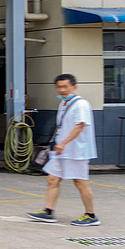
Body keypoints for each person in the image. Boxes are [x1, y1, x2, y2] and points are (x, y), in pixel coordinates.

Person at [28, 74, 99, 226]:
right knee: (52, 179)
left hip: (76, 151)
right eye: (59, 87)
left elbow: (80, 125)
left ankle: (91, 215)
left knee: (80, 182)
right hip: (61, 150)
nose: (62, 90)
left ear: (74, 87)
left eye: (66, 86)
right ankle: (48, 211)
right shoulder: (63, 104)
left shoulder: (81, 104)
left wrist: (64, 143)